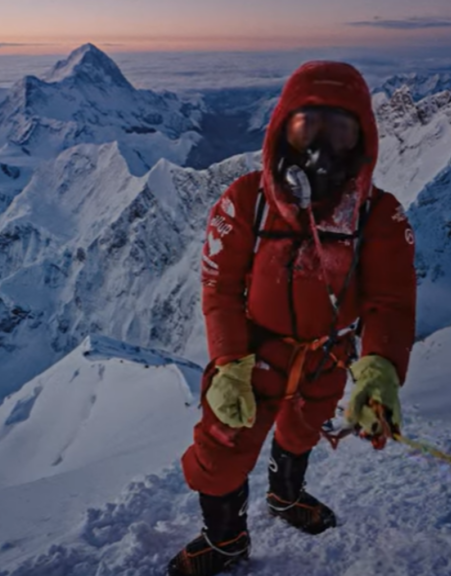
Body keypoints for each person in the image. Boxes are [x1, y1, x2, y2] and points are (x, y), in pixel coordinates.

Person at [168, 60, 417, 576]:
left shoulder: (379, 216)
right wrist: (230, 361)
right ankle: (225, 539)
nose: (322, 147)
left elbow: (390, 301)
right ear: (284, 129)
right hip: (253, 352)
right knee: (220, 453)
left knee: (301, 432)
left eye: (340, 131)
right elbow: (219, 287)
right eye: (309, 127)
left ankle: (285, 496)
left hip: (327, 354)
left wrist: (380, 370)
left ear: (361, 140)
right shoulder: (245, 202)